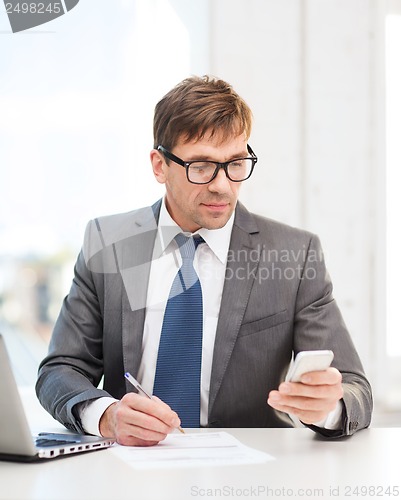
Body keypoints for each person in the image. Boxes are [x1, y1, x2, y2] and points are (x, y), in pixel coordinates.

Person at [36, 75, 372, 446]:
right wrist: (105, 416)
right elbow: (60, 370)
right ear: (159, 165)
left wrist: (326, 407)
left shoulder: (294, 253)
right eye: (201, 166)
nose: (222, 185)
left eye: (236, 163)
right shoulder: (108, 243)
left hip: (249, 474)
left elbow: (356, 390)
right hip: (130, 468)